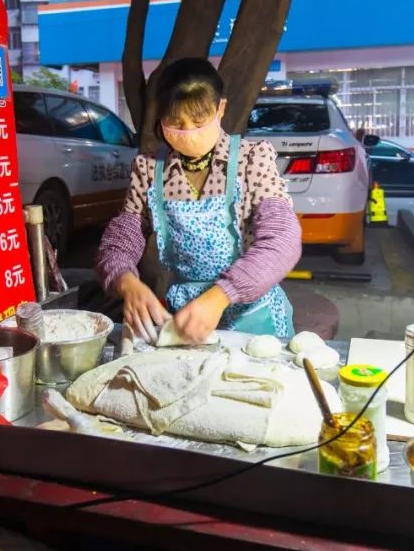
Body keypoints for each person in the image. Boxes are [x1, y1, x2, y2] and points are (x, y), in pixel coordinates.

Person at [96, 58, 302, 345]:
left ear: (221, 108)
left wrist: (222, 295)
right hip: (186, 321)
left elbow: (282, 240)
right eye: (175, 122)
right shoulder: (148, 171)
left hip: (255, 318)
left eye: (198, 121)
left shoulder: (251, 159)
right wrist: (126, 282)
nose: (188, 132)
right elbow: (119, 242)